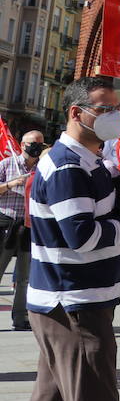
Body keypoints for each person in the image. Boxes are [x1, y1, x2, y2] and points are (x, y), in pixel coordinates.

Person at [23, 76, 120, 401]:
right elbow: (79, 234)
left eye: (118, 108)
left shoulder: (88, 162)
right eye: (105, 108)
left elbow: (105, 192)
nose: (115, 115)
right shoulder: (68, 166)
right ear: (76, 113)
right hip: (73, 305)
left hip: (71, 303)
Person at [0, 128, 44, 330]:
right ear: (23, 144)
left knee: (24, 277)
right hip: (6, 222)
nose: (36, 147)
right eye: (33, 143)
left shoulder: (43, 168)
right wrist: (12, 183)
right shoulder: (7, 164)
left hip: (28, 226)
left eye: (40, 144)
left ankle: (20, 317)